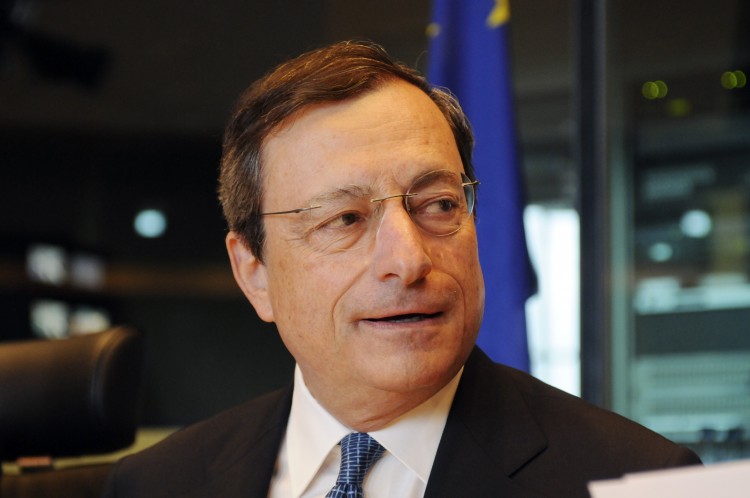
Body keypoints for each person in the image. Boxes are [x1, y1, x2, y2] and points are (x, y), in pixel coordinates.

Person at [102, 40, 700, 498]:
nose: (409, 260)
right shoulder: (157, 484)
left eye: (438, 205)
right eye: (344, 219)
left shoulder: (638, 480)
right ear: (254, 272)